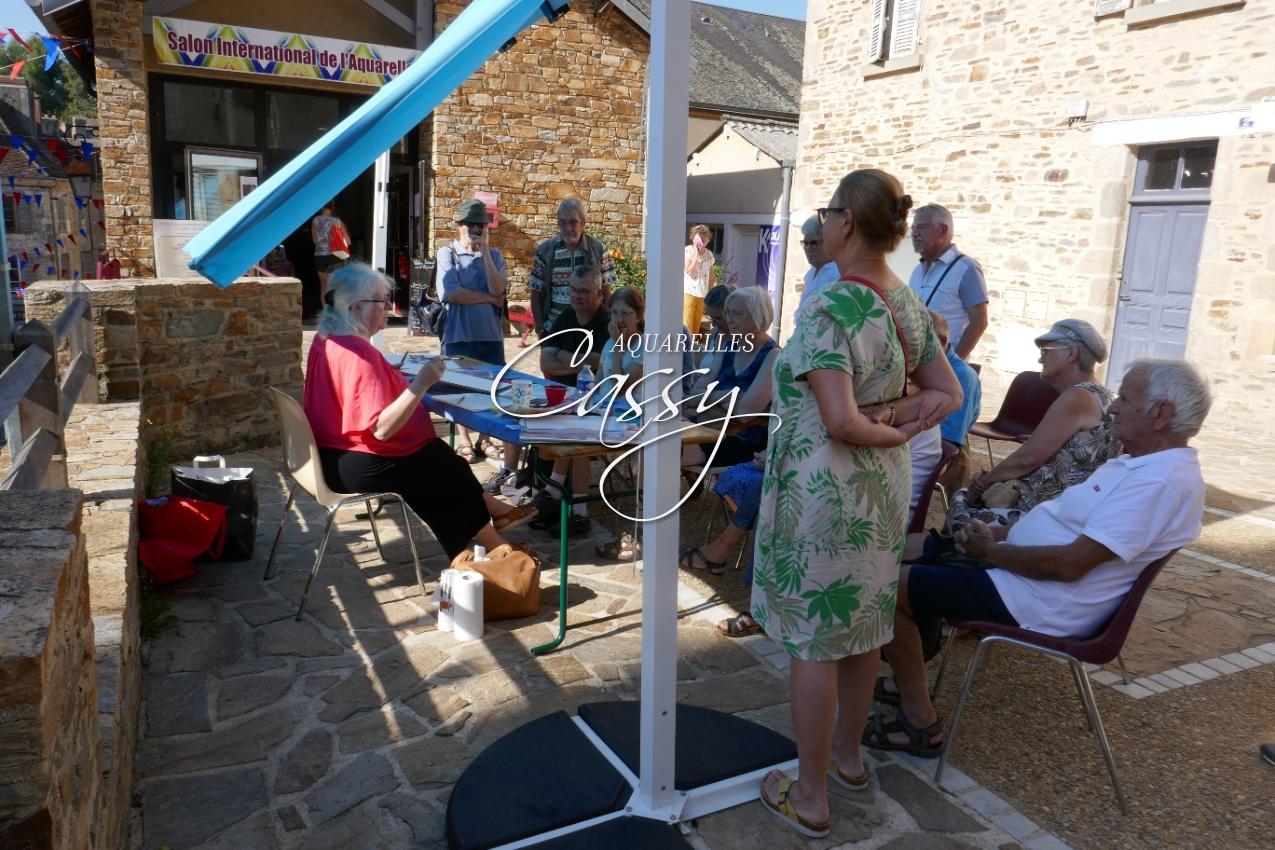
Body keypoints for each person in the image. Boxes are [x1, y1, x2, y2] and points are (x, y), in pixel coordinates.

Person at [750, 169, 962, 837]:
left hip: (822, 491)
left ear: (845, 221)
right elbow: (948, 393)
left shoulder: (829, 306)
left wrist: (886, 424)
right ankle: (847, 758)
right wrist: (898, 420)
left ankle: (810, 796)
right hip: (881, 490)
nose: (822, 222)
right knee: (864, 627)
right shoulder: (905, 301)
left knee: (814, 640)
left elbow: (840, 422)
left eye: (827, 211)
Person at [869, 359, 1211, 757]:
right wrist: (996, 535)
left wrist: (991, 550)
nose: (1113, 408)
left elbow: (1070, 564)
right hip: (1020, 571)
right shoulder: (1140, 463)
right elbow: (1066, 526)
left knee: (886, 587)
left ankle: (919, 723)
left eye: (1124, 399)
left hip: (1036, 598)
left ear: (1161, 414)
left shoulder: (1159, 482)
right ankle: (907, 674)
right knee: (904, 551)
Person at [301, 263, 532, 562]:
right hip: (355, 464)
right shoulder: (359, 354)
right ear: (357, 307)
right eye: (382, 301)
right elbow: (381, 429)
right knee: (440, 471)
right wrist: (422, 382)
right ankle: (483, 548)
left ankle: (487, 537)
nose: (388, 308)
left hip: (332, 455)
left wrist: (387, 374)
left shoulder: (326, 339)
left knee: (440, 460)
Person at [947, 318, 1120, 532]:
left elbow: (1027, 459)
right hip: (1068, 510)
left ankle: (951, 551)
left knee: (962, 499)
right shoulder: (1100, 394)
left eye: (1046, 350)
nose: (1040, 358)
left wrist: (984, 483)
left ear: (1071, 354)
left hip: (1045, 515)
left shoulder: (1078, 397)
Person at [436, 199, 519, 485]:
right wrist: (488, 299)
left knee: (491, 391)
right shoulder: (447, 253)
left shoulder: (494, 255)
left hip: (490, 336)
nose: (476, 229)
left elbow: (499, 289)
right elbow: (452, 293)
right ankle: (464, 441)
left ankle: (485, 439)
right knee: (460, 390)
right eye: (471, 224)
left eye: (481, 224)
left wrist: (484, 253)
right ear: (459, 225)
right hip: (459, 334)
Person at [531, 265, 612, 536]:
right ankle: (553, 494)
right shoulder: (566, 316)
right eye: (573, 290)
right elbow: (545, 363)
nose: (577, 295)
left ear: (599, 293)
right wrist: (578, 362)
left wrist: (565, 356)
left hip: (596, 399)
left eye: (584, 291)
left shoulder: (605, 321)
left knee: (577, 437)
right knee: (529, 423)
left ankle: (575, 510)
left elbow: (601, 365)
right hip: (563, 396)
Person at [679, 285, 780, 475]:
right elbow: (693, 396)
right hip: (710, 427)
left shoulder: (772, 356)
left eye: (737, 314)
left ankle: (651, 494)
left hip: (742, 439)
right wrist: (729, 395)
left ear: (758, 317)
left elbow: (744, 413)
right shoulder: (728, 346)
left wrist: (709, 398)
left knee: (664, 449)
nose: (729, 320)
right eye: (728, 313)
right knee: (655, 434)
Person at [907, 204, 988, 360]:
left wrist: (954, 364)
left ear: (943, 230)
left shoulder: (966, 268)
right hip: (918, 363)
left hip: (946, 365)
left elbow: (979, 322)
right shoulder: (917, 270)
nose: (915, 233)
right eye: (913, 228)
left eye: (922, 227)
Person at [528, 197, 616, 335]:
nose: (568, 228)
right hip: (554, 330)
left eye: (573, 222)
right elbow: (535, 294)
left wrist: (604, 326)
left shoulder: (599, 250)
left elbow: (607, 292)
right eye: (562, 222)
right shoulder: (546, 251)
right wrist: (540, 330)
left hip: (590, 331)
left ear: (583, 223)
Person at [930, 312, 981, 493]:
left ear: (941, 341)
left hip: (945, 451)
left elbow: (950, 443)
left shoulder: (963, 377)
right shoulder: (924, 366)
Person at [796, 213, 841, 312]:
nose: (808, 248)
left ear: (829, 242)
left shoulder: (837, 273)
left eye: (813, 243)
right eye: (805, 243)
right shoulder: (812, 272)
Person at [311, 201, 347, 308]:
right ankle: (334, 310)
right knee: (334, 285)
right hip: (334, 256)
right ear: (333, 207)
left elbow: (315, 241)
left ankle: (325, 311)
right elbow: (347, 241)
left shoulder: (315, 220)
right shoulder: (337, 221)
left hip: (319, 256)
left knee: (324, 285)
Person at [683, 224, 715, 335]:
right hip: (689, 292)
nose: (704, 243)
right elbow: (688, 270)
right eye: (702, 240)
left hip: (702, 294)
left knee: (696, 326)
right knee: (687, 324)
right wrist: (696, 255)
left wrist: (715, 288)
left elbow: (711, 275)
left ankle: (692, 345)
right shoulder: (688, 251)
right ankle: (685, 345)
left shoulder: (709, 254)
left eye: (706, 240)